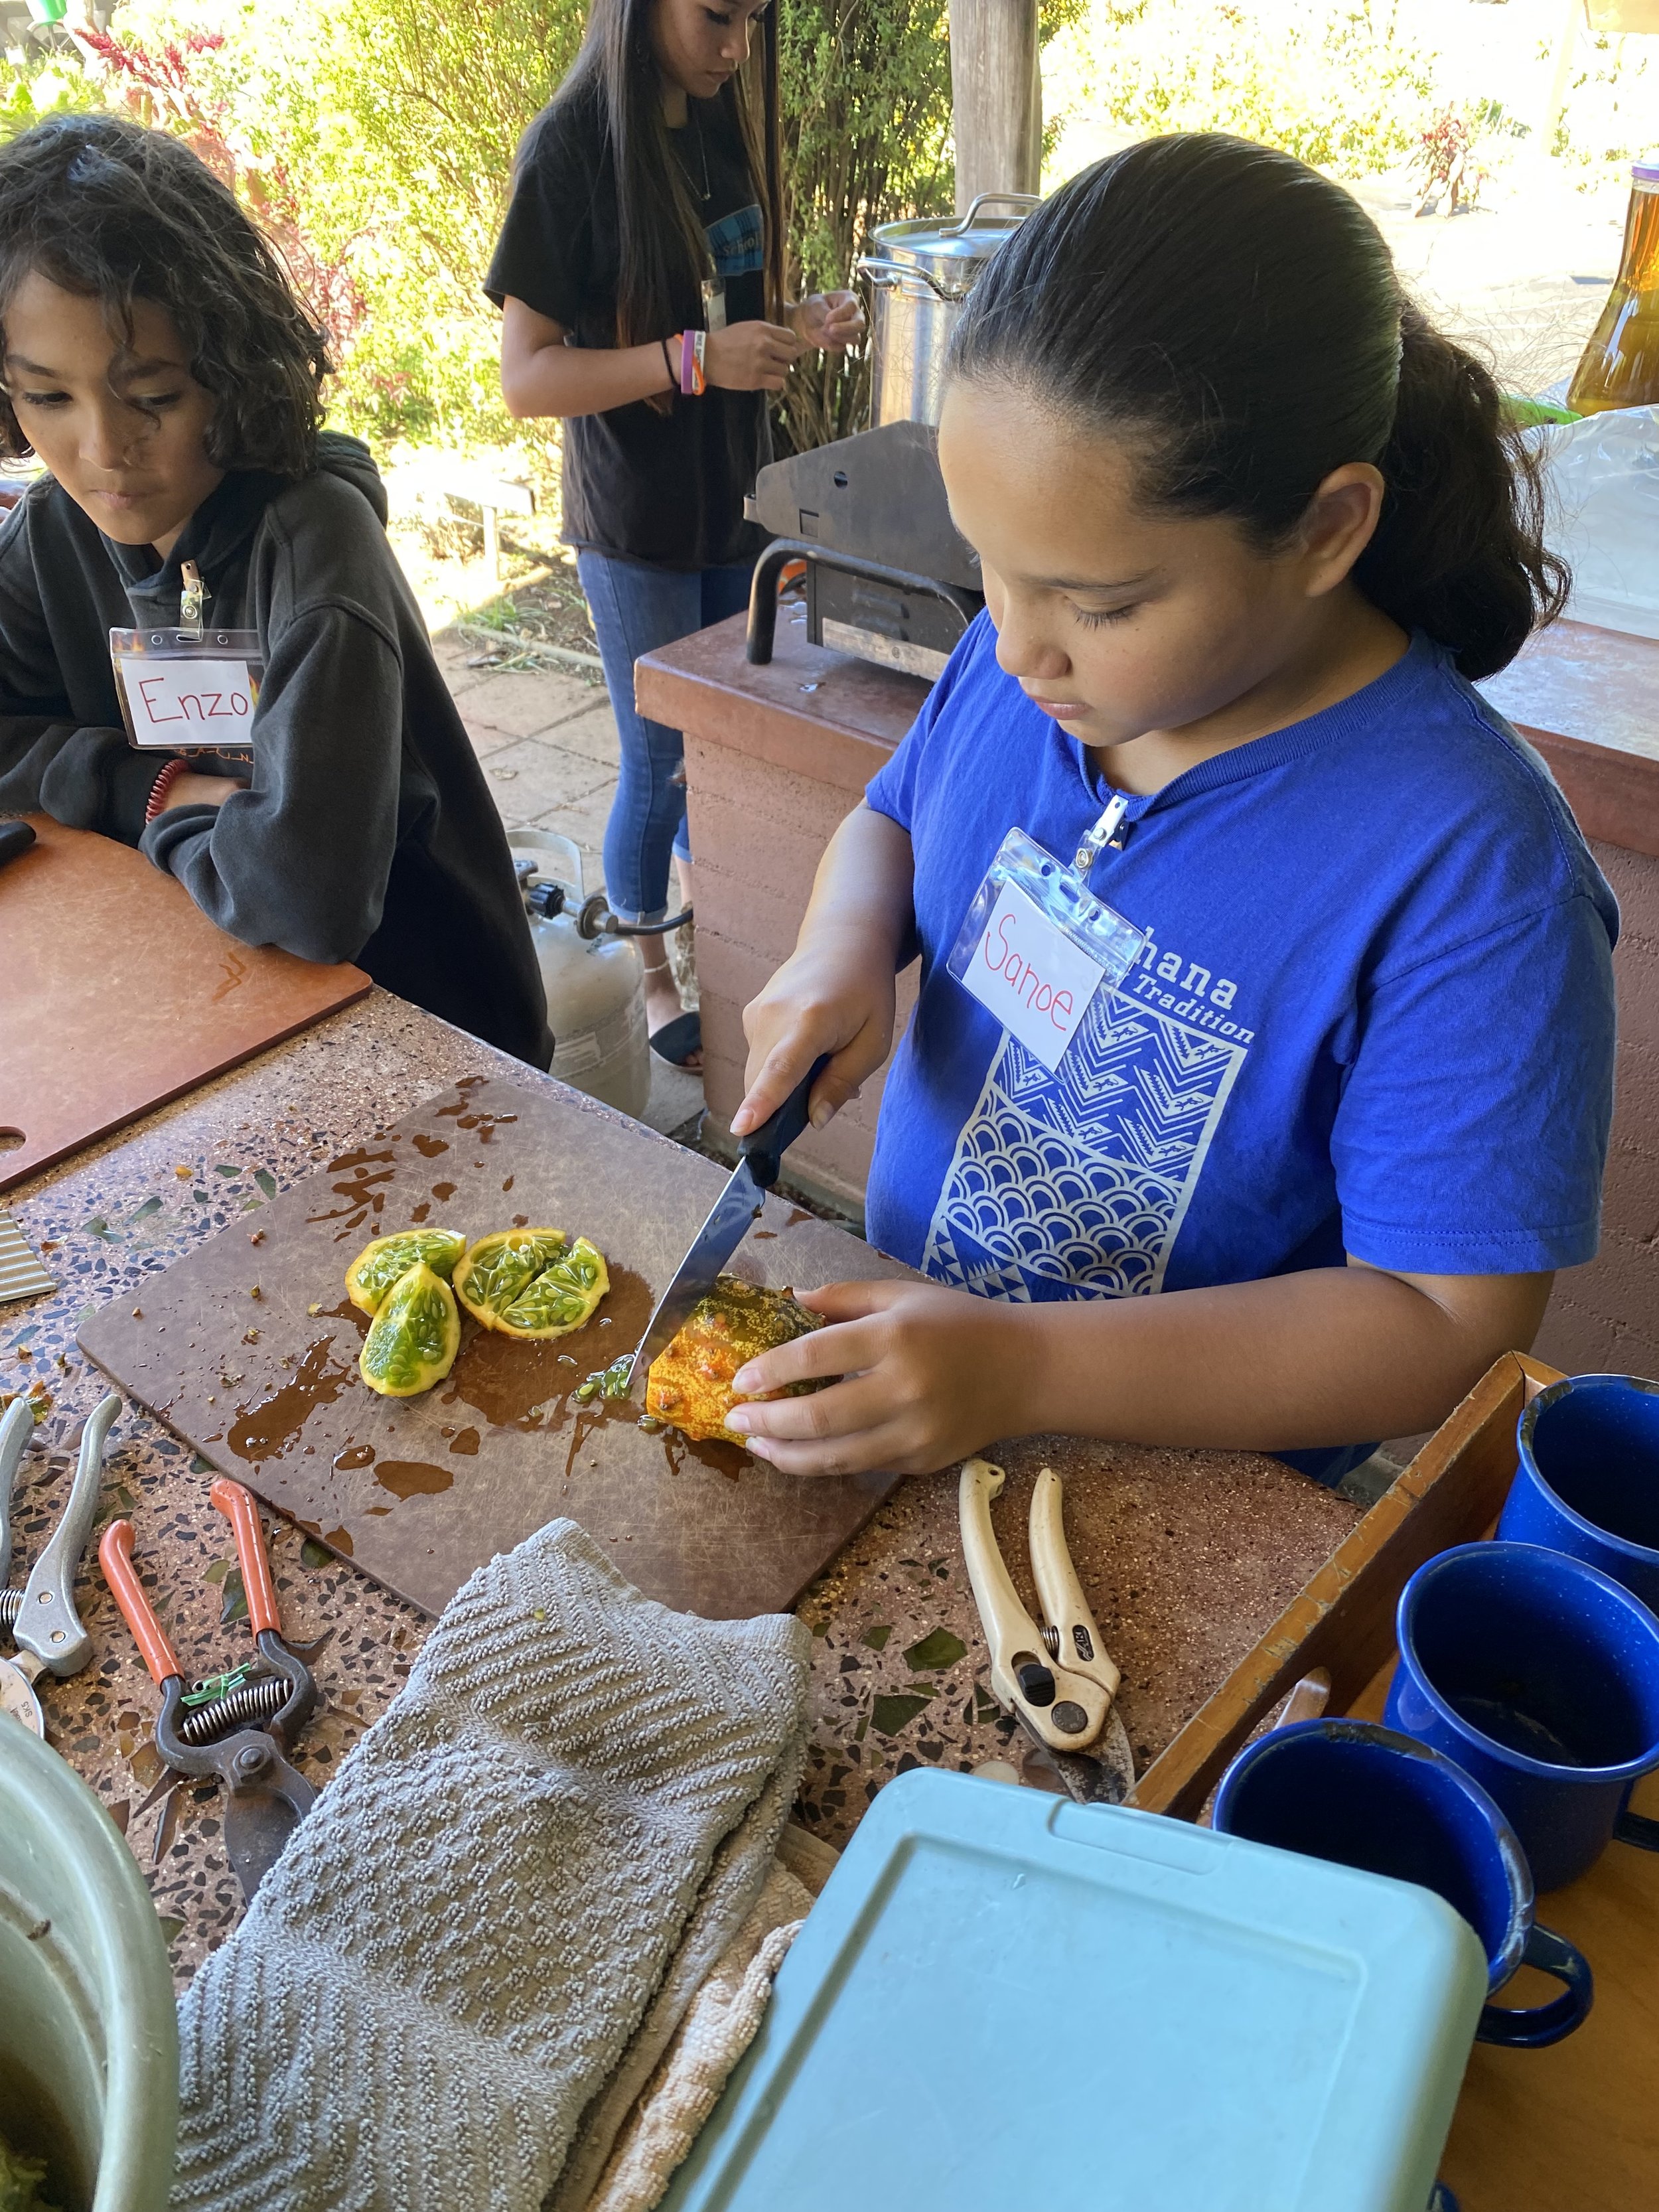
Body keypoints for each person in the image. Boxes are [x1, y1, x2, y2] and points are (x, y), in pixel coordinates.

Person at [724, 134, 1618, 1484]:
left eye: (1101, 602)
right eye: (987, 566)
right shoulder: (1029, 658)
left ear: (1325, 529)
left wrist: (1020, 1364)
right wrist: (841, 946)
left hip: (1174, 1500)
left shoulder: (1470, 873)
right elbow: (895, 816)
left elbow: (1448, 1319)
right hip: (923, 1391)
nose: (1015, 644)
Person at [0, 115, 552, 1071]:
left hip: (433, 1032)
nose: (101, 450)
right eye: (47, 397)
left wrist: (148, 812)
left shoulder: (316, 546)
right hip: (216, 1001)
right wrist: (160, 788)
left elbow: (306, 894)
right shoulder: (50, 533)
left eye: (154, 397)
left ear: (224, 366)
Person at [488, 0, 863, 1067]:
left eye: (753, 18)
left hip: (731, 502)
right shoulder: (570, 150)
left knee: (722, 745)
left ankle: (725, 945)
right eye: (714, 15)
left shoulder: (717, 117)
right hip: (636, 520)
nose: (737, 44)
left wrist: (794, 326)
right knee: (658, 758)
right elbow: (528, 377)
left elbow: (718, 305)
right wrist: (695, 362)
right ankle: (649, 971)